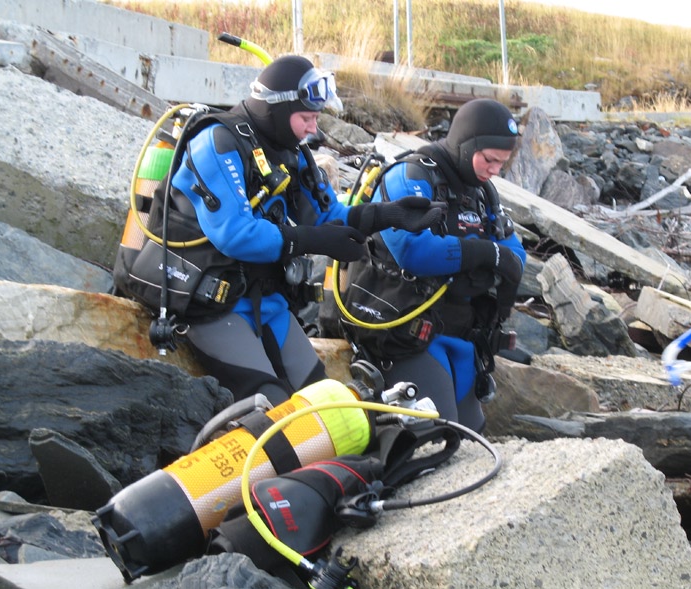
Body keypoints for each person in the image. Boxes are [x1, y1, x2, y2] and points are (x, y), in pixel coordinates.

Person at [166, 55, 445, 405]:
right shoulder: (217, 142)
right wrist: (310, 242)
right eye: (307, 118)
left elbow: (327, 216)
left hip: (265, 298)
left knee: (322, 397)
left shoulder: (290, 152)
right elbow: (234, 233)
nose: (313, 128)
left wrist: (387, 215)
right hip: (210, 303)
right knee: (268, 399)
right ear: (275, 111)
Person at [339, 98, 526, 432]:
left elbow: (515, 255)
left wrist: (484, 255)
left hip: (460, 334)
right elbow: (413, 251)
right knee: (441, 435)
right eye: (490, 159)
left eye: (503, 162)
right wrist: (484, 255)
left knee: (473, 436)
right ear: (467, 145)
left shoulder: (483, 194)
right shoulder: (410, 175)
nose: (495, 170)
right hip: (404, 333)